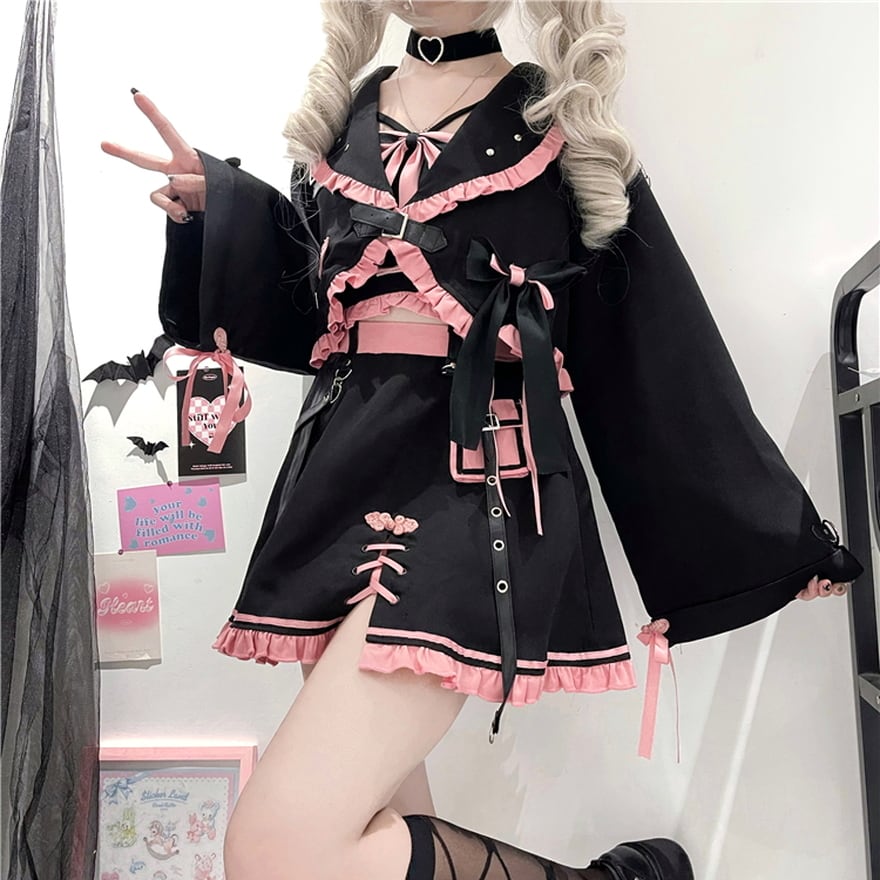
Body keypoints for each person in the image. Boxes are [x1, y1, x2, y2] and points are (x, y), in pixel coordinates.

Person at [101, 1, 861, 878]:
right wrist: (220, 209)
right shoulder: (346, 122)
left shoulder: (555, 124)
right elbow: (308, 309)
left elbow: (657, 342)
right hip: (334, 484)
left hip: (480, 491)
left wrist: (770, 536)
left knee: (280, 851)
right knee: (375, 828)